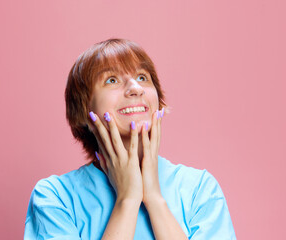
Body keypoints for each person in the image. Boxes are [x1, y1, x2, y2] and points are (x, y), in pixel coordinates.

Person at [24, 39, 236, 239]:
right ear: (83, 111)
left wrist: (154, 198)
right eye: (112, 80)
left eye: (143, 77)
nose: (136, 88)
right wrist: (127, 200)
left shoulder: (200, 189)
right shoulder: (54, 197)